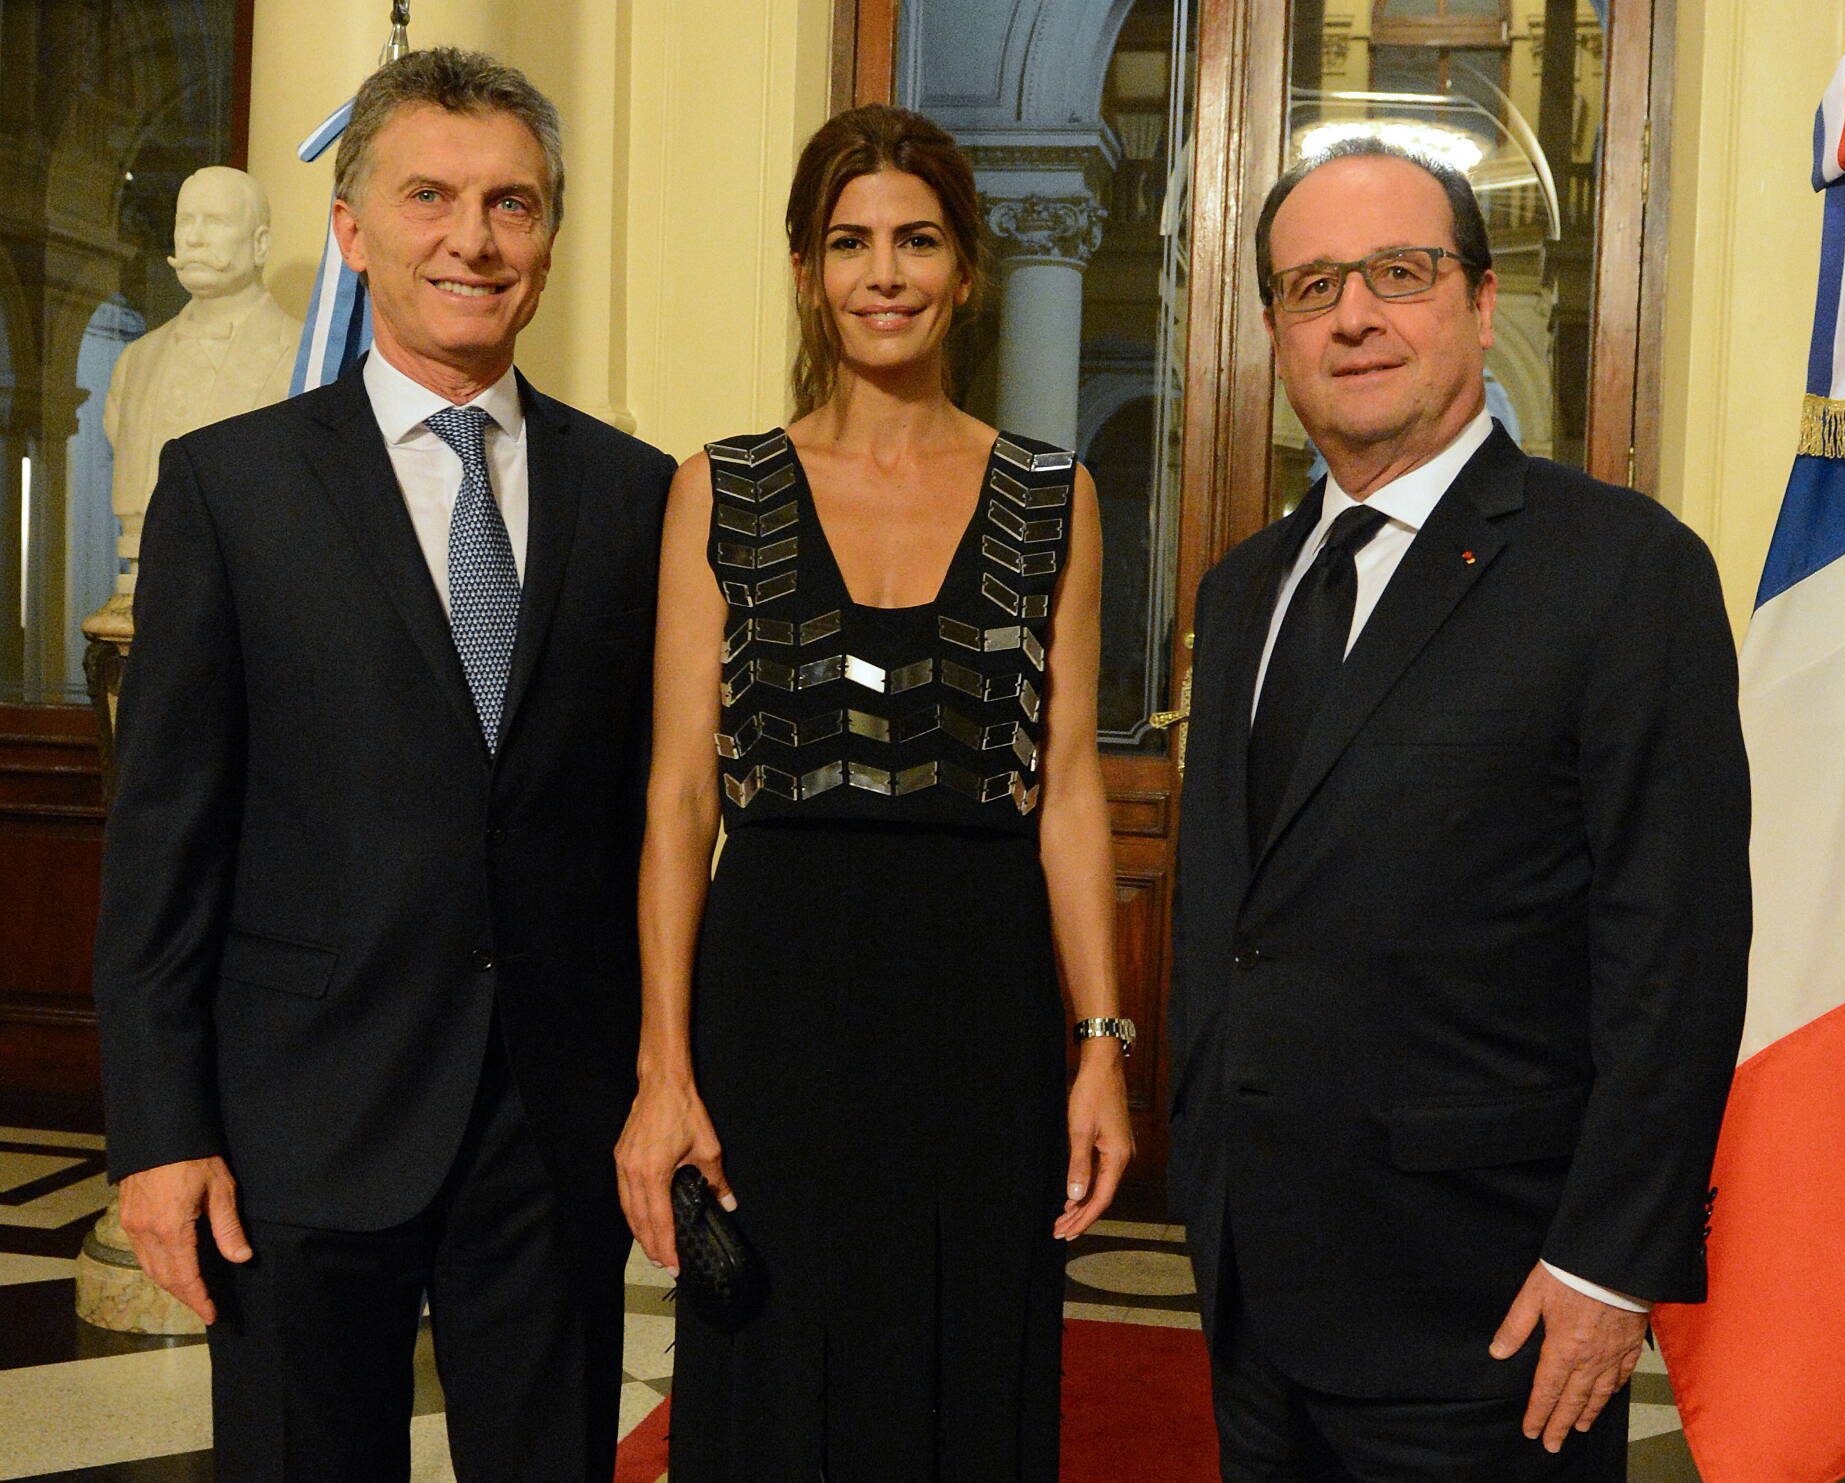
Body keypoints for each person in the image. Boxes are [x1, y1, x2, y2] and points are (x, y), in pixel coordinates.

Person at [92, 48, 674, 1482]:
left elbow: (655, 816)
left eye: (511, 203)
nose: (471, 239)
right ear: (352, 231)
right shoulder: (229, 490)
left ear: (546, 235)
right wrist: (159, 1133)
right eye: (429, 195)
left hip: (551, 1127)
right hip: (298, 1123)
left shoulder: (639, 495)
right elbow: (166, 836)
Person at [1166, 139, 1751, 1481]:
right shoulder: (1244, 588)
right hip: (1259, 1288)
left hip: (1490, 1311)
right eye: (1312, 286)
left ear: (1483, 304)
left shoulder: (1622, 570)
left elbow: (1677, 950)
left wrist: (1610, 1258)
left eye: (1399, 272)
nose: (1354, 313)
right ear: (1271, 329)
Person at [615, 102, 1134, 1482]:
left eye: (915, 241)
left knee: (969, 1365)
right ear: (807, 269)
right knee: (772, 1366)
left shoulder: (1052, 495)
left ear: (967, 269)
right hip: (773, 988)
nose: (883, 273)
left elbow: (1069, 790)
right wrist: (665, 1065)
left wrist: (1100, 1040)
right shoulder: (715, 490)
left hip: (982, 999)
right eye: (850, 243)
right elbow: (677, 800)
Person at [102, 165, 301, 600]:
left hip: (253, 584)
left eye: (214, 222)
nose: (193, 237)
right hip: (143, 576)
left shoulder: (304, 358)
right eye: (184, 221)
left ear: (260, 243)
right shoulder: (135, 361)